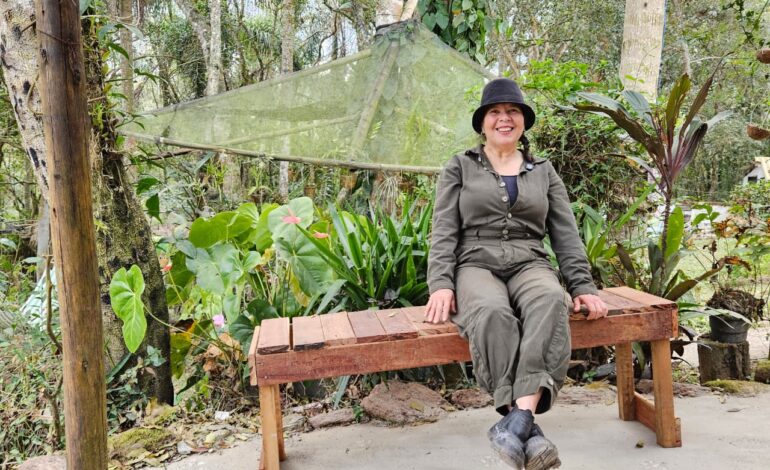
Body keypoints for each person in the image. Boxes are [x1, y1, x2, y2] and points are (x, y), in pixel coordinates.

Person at [425, 78, 608, 470]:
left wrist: (583, 286)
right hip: (474, 262)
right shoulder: (459, 166)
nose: (504, 119)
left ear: (523, 121)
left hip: (529, 261)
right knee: (491, 311)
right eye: (495, 112)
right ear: (483, 122)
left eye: (513, 112)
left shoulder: (543, 170)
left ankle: (516, 422)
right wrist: (440, 283)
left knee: (548, 300)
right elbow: (442, 230)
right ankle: (529, 428)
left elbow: (565, 233)